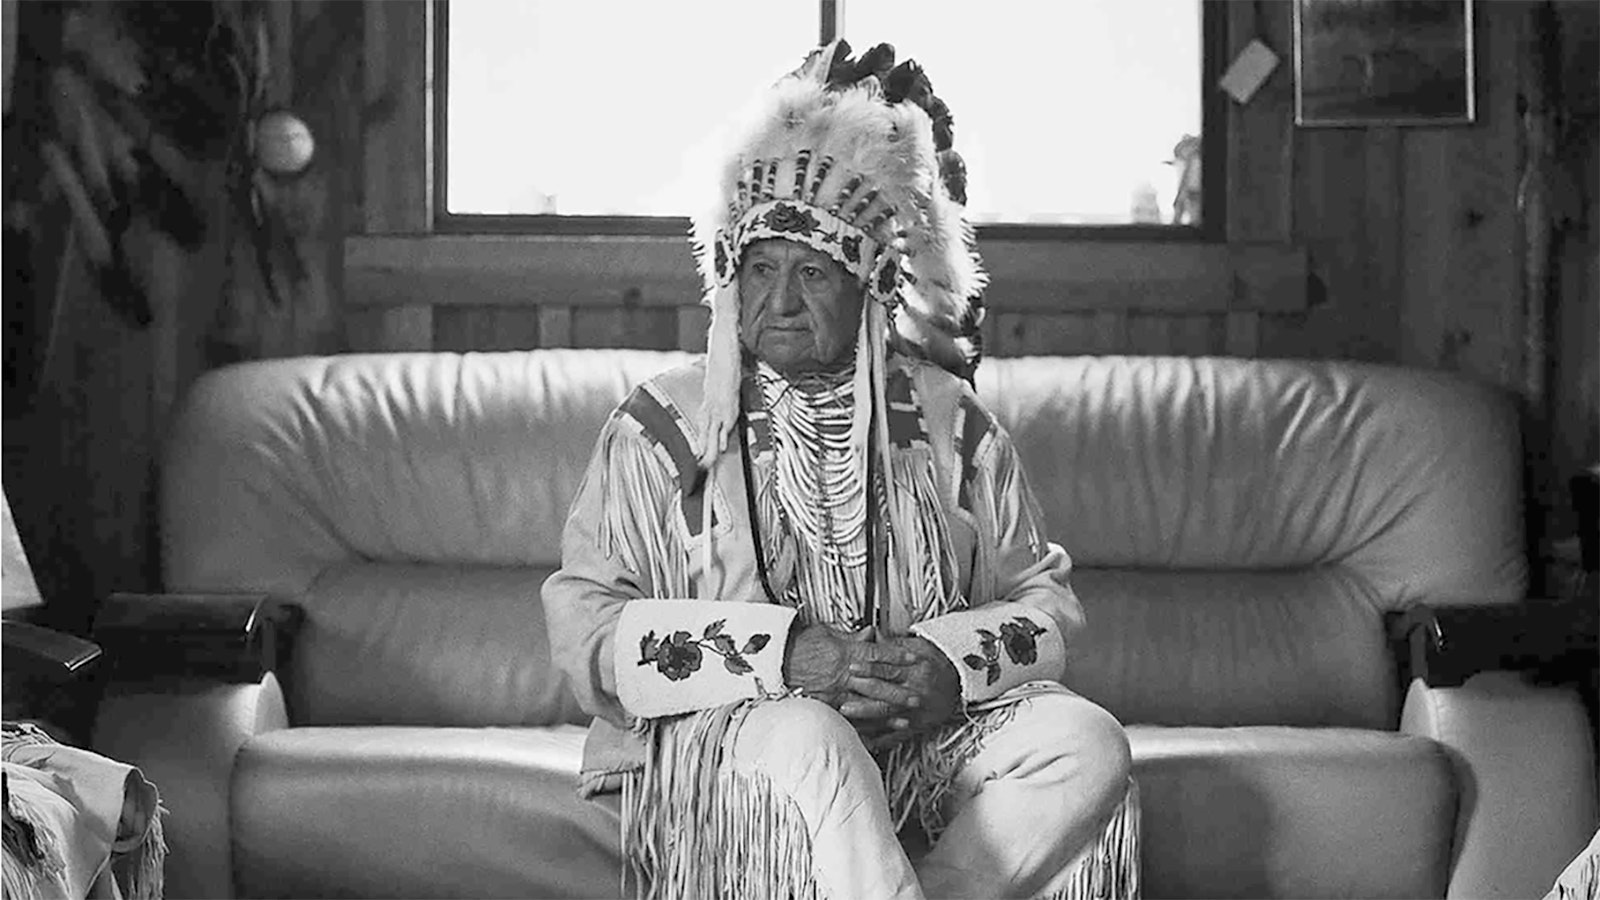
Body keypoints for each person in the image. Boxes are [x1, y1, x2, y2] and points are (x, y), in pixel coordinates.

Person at [543, 39, 1137, 900]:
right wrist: (784, 657)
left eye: (812, 274)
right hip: (726, 737)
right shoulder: (662, 428)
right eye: (758, 270)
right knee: (812, 739)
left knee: (1087, 743)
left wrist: (949, 666)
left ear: (869, 292)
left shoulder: (953, 427)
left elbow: (1046, 605)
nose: (778, 302)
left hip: (924, 743)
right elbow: (587, 628)